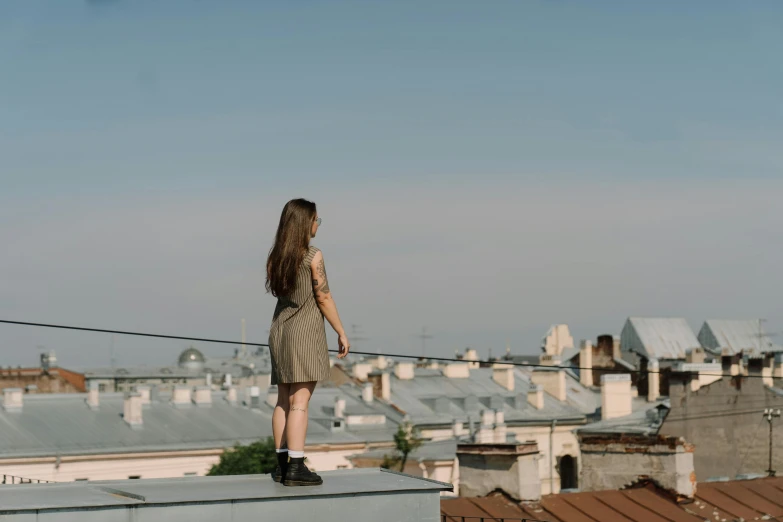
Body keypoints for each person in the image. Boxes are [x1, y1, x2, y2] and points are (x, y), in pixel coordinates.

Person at [265, 198, 350, 486]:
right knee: (300, 402)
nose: (317, 224)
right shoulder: (313, 256)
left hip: (279, 331)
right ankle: (297, 467)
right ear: (305, 223)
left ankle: (281, 463)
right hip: (305, 333)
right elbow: (323, 297)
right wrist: (340, 331)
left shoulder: (275, 257)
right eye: (316, 219)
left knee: (283, 401)